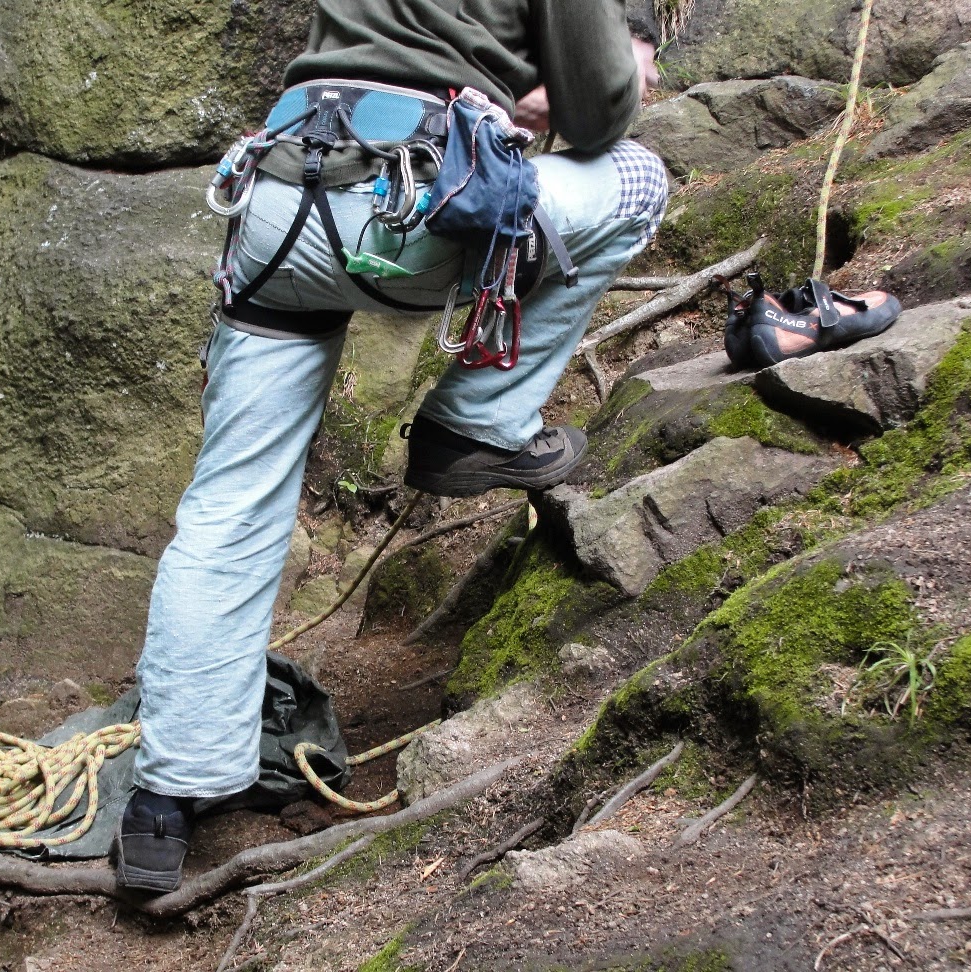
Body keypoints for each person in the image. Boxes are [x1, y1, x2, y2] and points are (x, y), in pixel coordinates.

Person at [112, 0, 670, 893]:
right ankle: (478, 422)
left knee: (230, 505)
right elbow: (601, 108)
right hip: (411, 212)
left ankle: (165, 802)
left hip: (278, 202)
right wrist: (606, 76)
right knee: (638, 175)